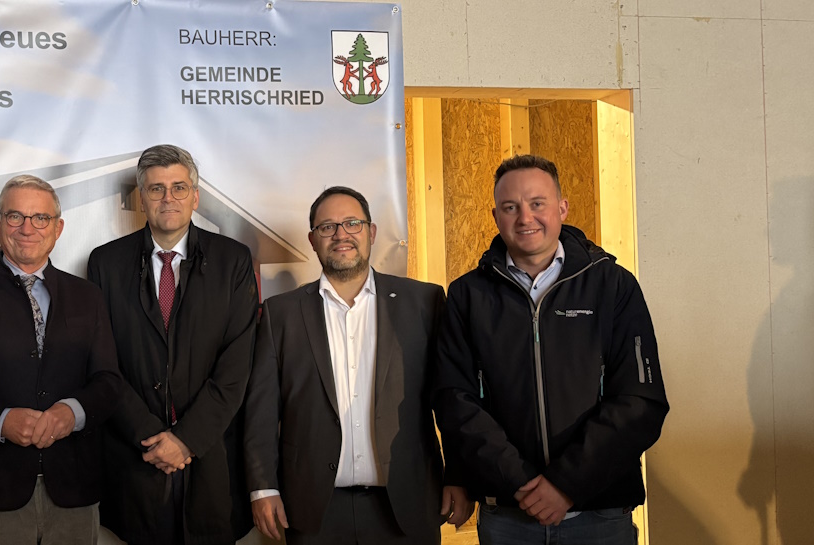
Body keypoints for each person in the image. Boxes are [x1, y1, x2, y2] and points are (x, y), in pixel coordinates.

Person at [433, 154, 669, 544]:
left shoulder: (613, 285)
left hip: (599, 514)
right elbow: (454, 400)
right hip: (508, 513)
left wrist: (565, 484)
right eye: (511, 207)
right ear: (496, 216)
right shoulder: (467, 295)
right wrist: (521, 483)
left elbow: (640, 400)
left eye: (537, 203)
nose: (525, 217)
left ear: (562, 208)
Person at [244, 186, 471, 545]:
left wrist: (459, 475)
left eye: (352, 223)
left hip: (407, 505)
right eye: (327, 227)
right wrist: (263, 488)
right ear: (313, 240)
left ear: (372, 232)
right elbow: (261, 411)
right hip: (313, 510)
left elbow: (451, 399)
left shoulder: (423, 301)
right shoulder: (281, 313)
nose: (341, 235)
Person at [0, 174, 123, 545]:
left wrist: (73, 413)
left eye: (40, 218)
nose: (27, 228)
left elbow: (109, 382)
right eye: (15, 216)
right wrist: (1, 421)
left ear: (58, 228)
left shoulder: (88, 297)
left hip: (75, 490)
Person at [86, 145, 258, 545]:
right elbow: (102, 362)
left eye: (179, 188)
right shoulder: (105, 263)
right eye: (156, 189)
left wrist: (185, 440)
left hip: (212, 457)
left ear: (195, 197)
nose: (168, 198)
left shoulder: (233, 261)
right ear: (141, 199)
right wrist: (151, 437)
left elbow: (237, 365)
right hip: (136, 458)